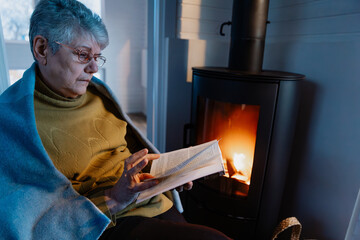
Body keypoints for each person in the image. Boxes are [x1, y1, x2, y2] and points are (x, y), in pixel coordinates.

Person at [0, 0, 231, 239]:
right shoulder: (12, 122)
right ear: (41, 49)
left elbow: (123, 158)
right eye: (82, 55)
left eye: (97, 57)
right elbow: (29, 218)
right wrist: (114, 198)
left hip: (148, 200)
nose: (93, 68)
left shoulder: (99, 96)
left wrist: (164, 171)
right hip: (104, 222)